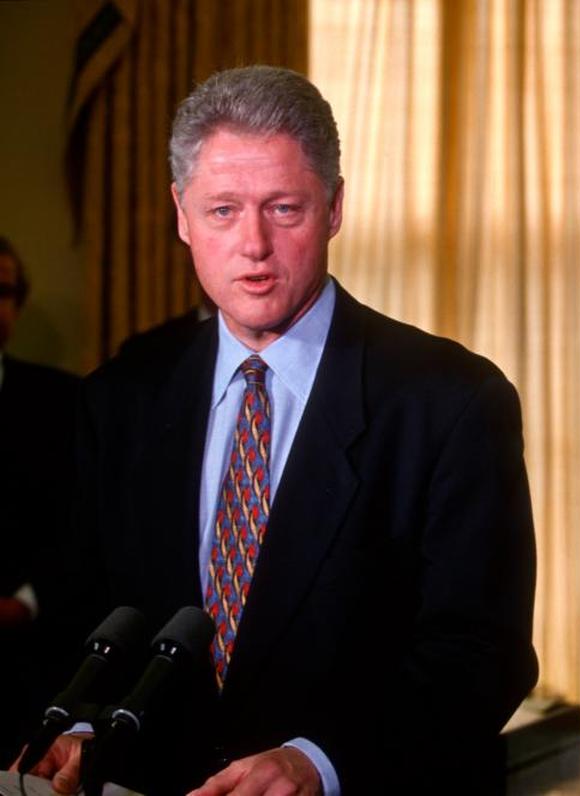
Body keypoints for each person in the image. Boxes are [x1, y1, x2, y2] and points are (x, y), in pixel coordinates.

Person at [21, 66, 538, 794]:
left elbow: (482, 654)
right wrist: (73, 724)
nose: (253, 245)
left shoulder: (452, 400)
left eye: (284, 209)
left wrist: (319, 761)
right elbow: (81, 610)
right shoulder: (122, 395)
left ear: (333, 209)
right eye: (223, 210)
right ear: (180, 214)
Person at [0, 238, 80, 765]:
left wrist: (23, 603)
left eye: (2, 291)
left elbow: (82, 527)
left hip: (26, 668)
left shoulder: (65, 401)